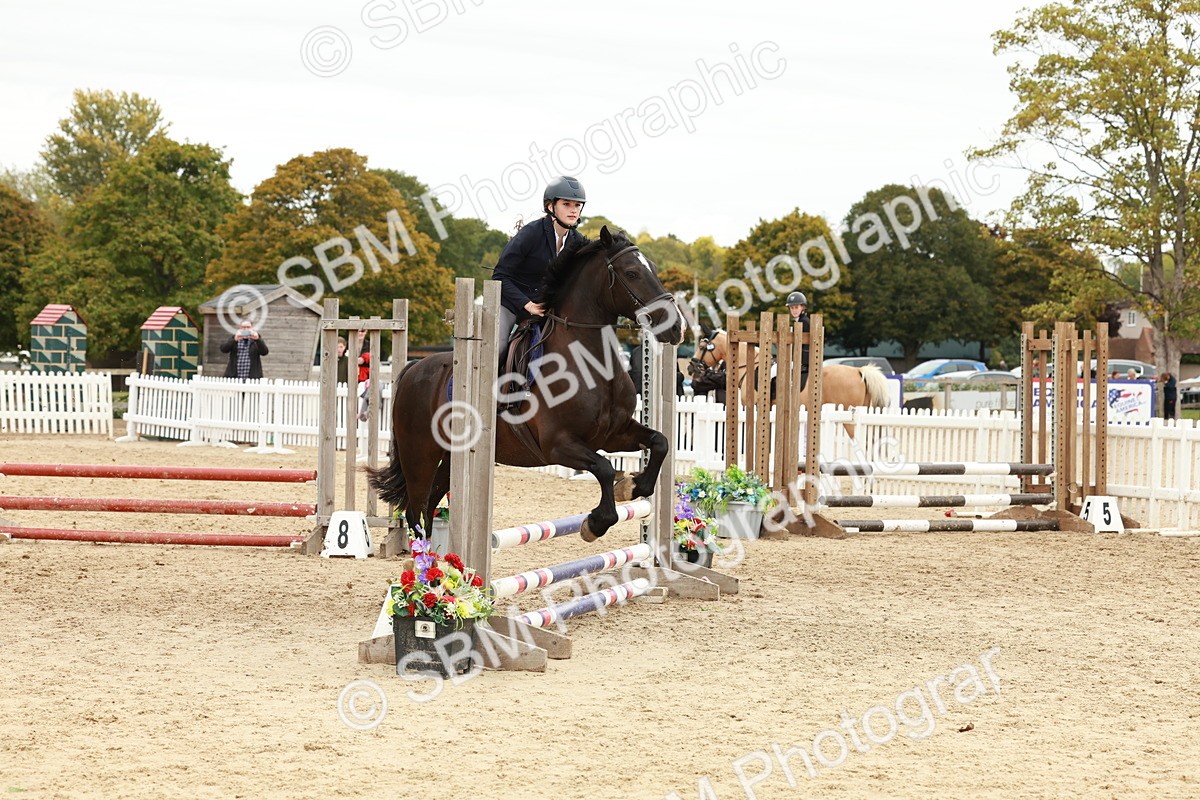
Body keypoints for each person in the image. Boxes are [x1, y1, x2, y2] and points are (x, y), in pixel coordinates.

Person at [492, 176, 587, 356]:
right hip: (512, 304)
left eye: (577, 205)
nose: (574, 210)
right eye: (566, 204)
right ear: (550, 206)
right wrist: (528, 305)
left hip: (546, 309)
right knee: (499, 348)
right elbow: (500, 276)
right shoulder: (531, 233)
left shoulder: (578, 242)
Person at [786, 291, 811, 389]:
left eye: (796, 307)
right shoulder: (799, 321)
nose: (794, 310)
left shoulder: (804, 321)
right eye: (792, 308)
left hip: (803, 361)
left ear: (803, 307)